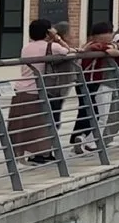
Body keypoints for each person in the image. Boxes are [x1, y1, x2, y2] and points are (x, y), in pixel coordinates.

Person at [10, 19, 74, 162]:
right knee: (41, 123)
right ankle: (39, 154)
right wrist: (57, 38)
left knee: (23, 124)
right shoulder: (51, 46)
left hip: (21, 89)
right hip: (38, 90)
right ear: (47, 32)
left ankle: (27, 154)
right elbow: (68, 51)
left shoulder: (26, 47)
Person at [69, 23, 119, 154]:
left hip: (82, 83)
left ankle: (82, 138)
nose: (111, 35)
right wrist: (117, 49)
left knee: (86, 111)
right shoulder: (98, 46)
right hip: (93, 82)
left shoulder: (87, 45)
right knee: (100, 114)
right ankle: (87, 140)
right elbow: (112, 52)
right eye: (108, 32)